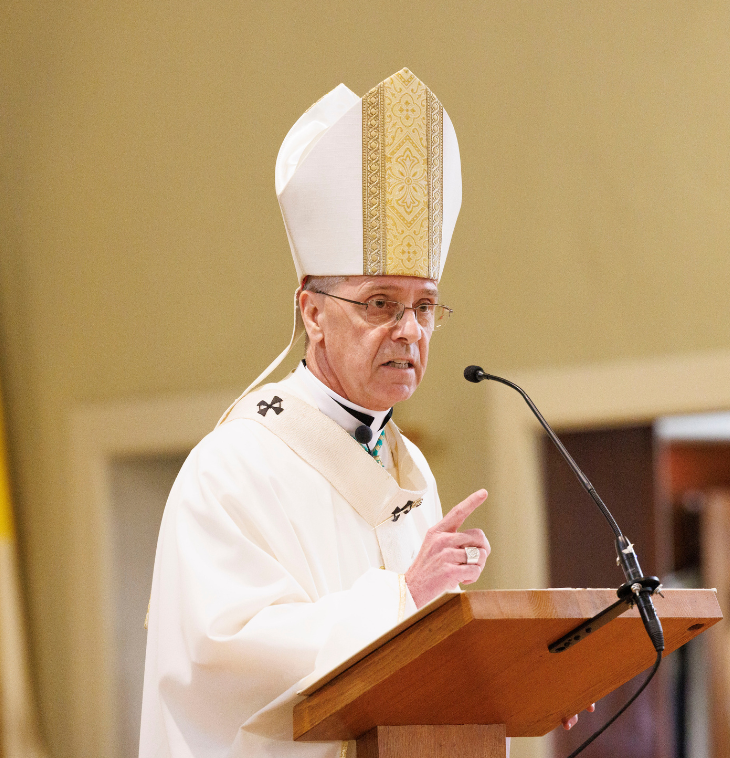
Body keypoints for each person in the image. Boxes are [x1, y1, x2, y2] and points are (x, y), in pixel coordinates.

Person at [139, 69, 586, 758]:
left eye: (425, 305)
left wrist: (523, 681)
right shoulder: (233, 468)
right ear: (312, 312)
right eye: (380, 303)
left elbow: (421, 673)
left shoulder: (411, 471)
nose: (410, 330)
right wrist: (401, 595)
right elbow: (222, 660)